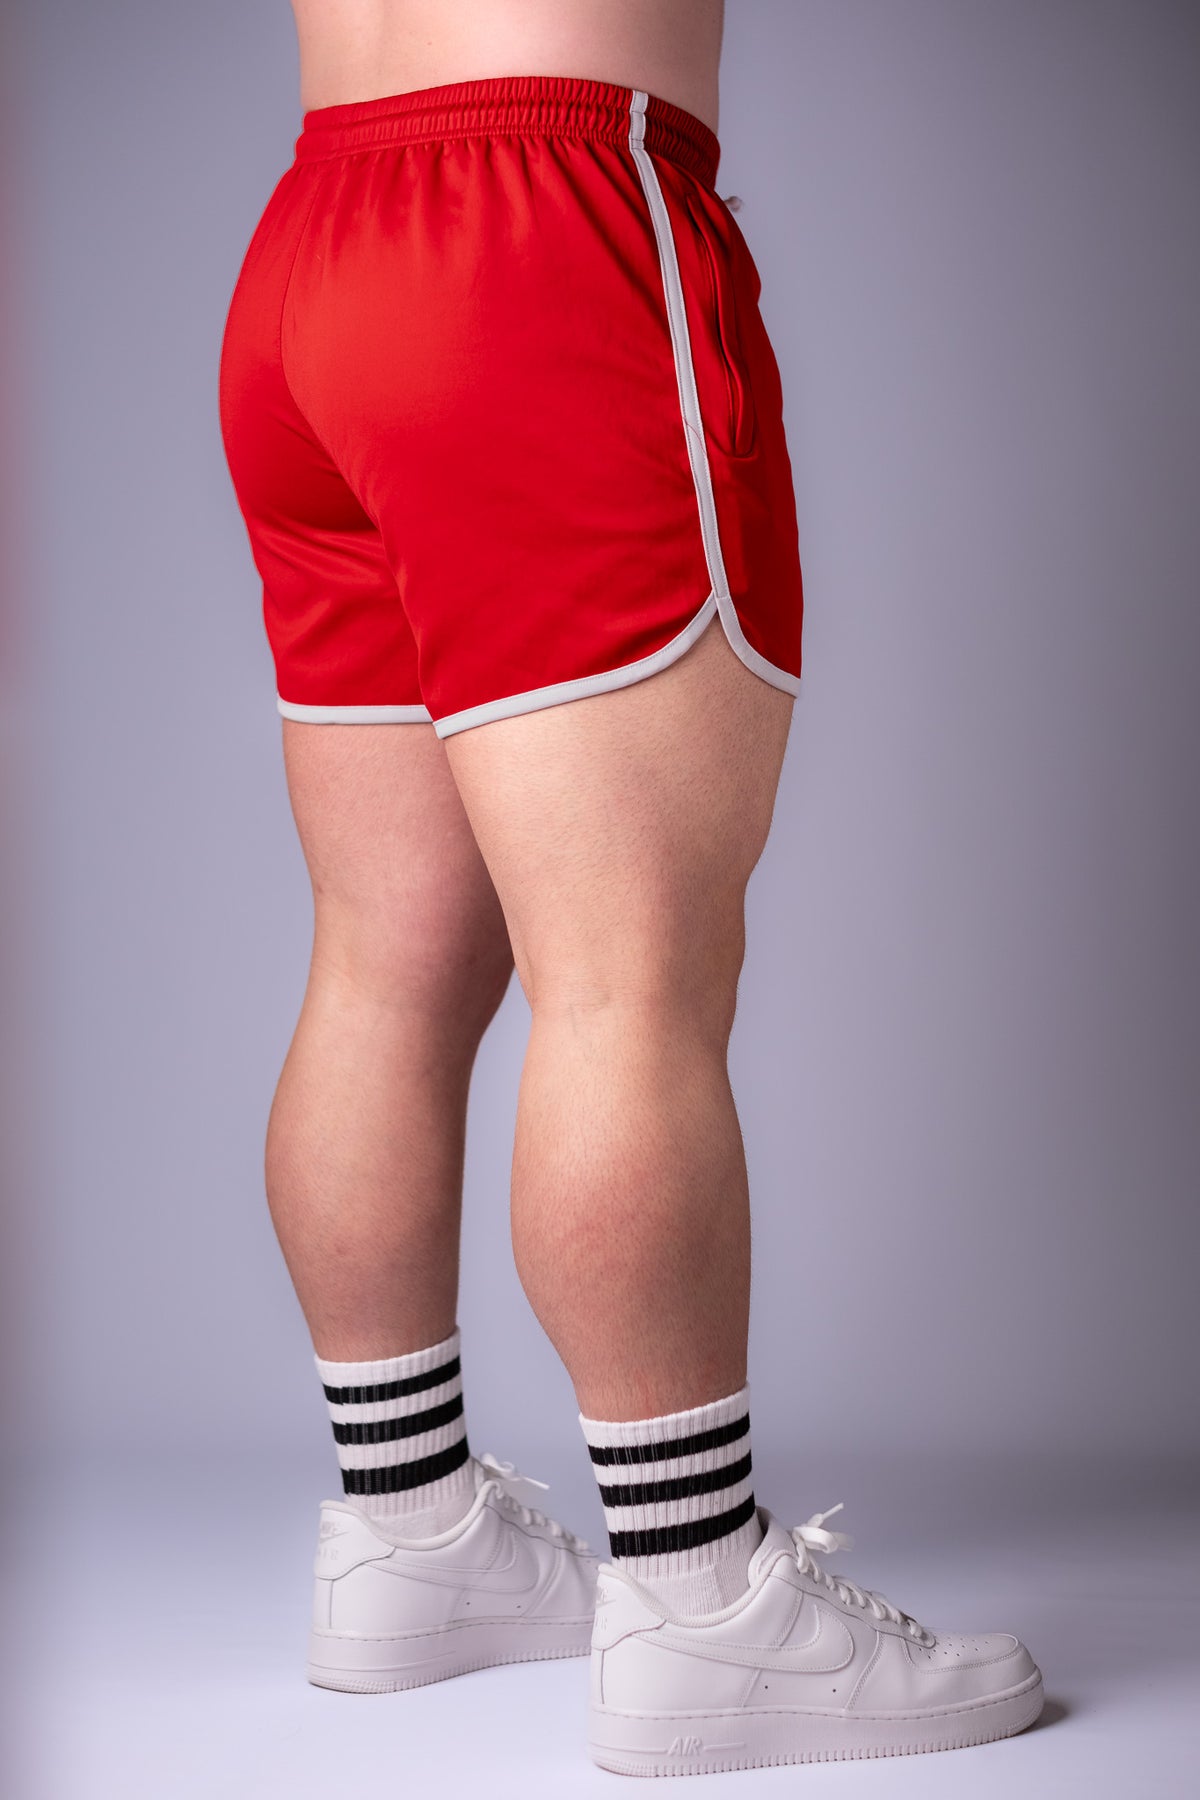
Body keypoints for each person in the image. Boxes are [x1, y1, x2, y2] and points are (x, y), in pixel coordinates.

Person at [218, 0, 1042, 1776]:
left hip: (311, 243)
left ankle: (408, 1536)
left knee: (378, 958)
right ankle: (701, 1606)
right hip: (541, 223)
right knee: (624, 978)